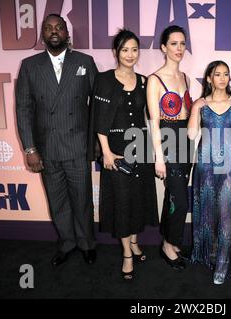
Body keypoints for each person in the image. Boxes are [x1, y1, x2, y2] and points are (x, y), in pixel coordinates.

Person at [16, 14, 98, 266]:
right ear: (43, 34)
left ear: (67, 33)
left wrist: (96, 142)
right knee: (57, 200)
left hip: (77, 146)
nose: (54, 31)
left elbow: (96, 105)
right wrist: (30, 148)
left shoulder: (85, 61)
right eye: (48, 28)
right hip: (47, 149)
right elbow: (23, 109)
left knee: (82, 200)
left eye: (59, 27)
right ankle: (67, 243)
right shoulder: (30, 66)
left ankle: (86, 243)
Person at [91, 29, 158, 280]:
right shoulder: (104, 80)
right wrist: (106, 152)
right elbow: (99, 118)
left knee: (137, 200)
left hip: (139, 147)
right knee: (122, 202)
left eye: (134, 49)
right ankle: (127, 254)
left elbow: (150, 117)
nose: (130, 55)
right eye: (125, 50)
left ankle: (135, 242)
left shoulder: (144, 81)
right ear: (116, 52)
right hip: (116, 150)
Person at [188, 61, 231, 285]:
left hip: (227, 167)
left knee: (225, 214)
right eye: (218, 74)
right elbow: (191, 135)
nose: (223, 78)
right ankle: (208, 252)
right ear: (209, 78)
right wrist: (195, 108)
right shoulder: (201, 104)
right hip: (204, 165)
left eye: (226, 74)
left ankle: (223, 263)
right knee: (206, 211)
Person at [146, 25, 193, 270]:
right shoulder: (154, 80)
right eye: (173, 44)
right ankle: (169, 245)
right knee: (181, 201)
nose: (179, 48)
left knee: (174, 195)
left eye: (182, 43)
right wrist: (159, 157)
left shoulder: (185, 77)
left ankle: (169, 240)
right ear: (164, 48)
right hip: (167, 139)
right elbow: (154, 121)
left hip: (186, 139)